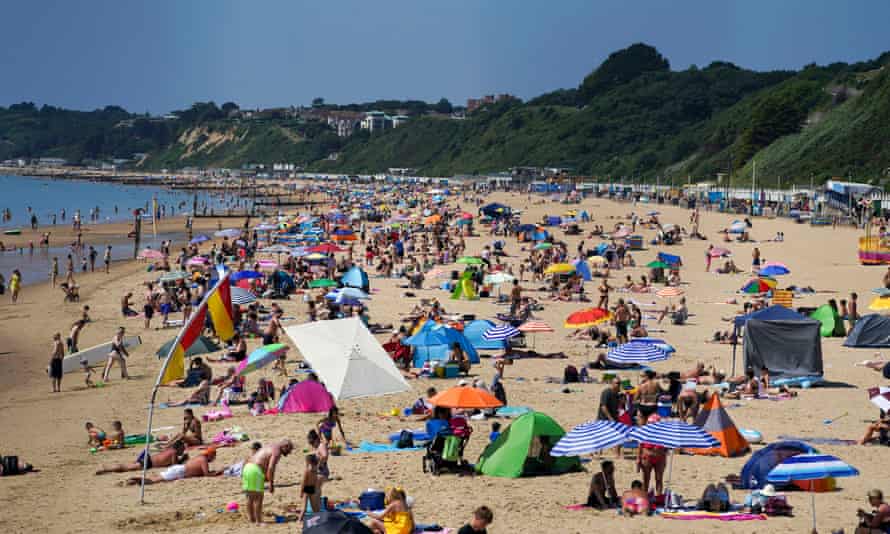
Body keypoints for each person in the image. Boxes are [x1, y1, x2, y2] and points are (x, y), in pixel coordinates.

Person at [242, 439, 294, 525]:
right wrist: (271, 483)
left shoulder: (270, 445)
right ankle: (259, 521)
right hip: (255, 470)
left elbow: (257, 459)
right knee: (259, 497)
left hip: (247, 468)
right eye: (289, 450)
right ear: (285, 446)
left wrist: (265, 476)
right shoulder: (277, 451)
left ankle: (251, 519)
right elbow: (271, 467)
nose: (288, 453)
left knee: (250, 497)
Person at [125, 447, 221, 485]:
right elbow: (207, 474)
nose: (214, 458)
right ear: (210, 455)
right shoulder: (203, 460)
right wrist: (218, 472)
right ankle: (134, 480)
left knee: (156, 478)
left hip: (178, 469)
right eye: (214, 456)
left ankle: (134, 481)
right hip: (179, 471)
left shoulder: (199, 457)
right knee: (153, 481)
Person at [95, 440, 186, 474]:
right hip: (148, 462)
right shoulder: (174, 452)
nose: (183, 451)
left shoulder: (169, 450)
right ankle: (106, 469)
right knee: (125, 468)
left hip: (148, 459)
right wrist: (183, 459)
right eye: (182, 449)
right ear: (179, 448)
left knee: (126, 466)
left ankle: (107, 468)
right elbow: (175, 467)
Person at [637, 414, 667, 495]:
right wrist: (638, 459)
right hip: (647, 457)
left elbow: (666, 448)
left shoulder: (663, 433)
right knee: (646, 479)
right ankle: (645, 497)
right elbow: (640, 446)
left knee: (659, 479)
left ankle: (659, 497)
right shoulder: (644, 432)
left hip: (659, 458)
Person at [298, 454, 321, 521]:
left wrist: (301, 492)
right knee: (315, 507)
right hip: (312, 488)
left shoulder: (307, 471)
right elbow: (316, 480)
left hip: (306, 489)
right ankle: (318, 518)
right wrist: (316, 489)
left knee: (304, 507)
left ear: (309, 462)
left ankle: (299, 520)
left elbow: (303, 482)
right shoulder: (315, 470)